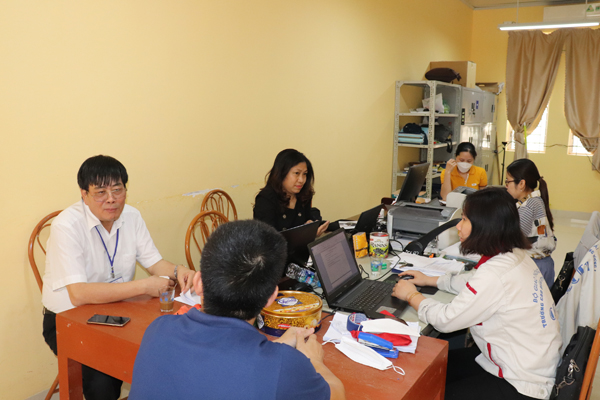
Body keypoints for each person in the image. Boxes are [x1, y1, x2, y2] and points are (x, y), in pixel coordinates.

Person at [129, 219, 346, 400]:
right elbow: (337, 394)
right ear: (271, 297)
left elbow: (220, 365)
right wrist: (314, 361)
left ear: (199, 283)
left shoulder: (159, 329)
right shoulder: (283, 367)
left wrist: (276, 347)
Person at [42, 155, 196, 400]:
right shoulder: (66, 225)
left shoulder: (131, 216)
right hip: (68, 318)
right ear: (84, 194)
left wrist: (180, 271)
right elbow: (78, 294)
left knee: (164, 347)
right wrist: (143, 286)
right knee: (103, 379)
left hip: (119, 310)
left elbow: (154, 263)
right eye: (100, 192)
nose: (111, 199)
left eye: (117, 190)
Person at [392, 188, 561, 400]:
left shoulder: (495, 273)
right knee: (431, 367)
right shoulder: (514, 254)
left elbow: (446, 320)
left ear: (484, 226)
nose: (458, 226)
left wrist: (412, 296)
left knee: (430, 388)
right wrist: (430, 280)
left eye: (464, 219)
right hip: (525, 361)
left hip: (521, 383)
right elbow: (475, 281)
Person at [506, 158, 556, 288]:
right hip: (542, 264)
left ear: (521, 184)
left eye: (507, 182)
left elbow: (515, 237)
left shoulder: (529, 205)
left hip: (535, 266)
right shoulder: (535, 200)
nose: (506, 186)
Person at [254, 148, 329, 235]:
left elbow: (308, 218)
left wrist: (311, 225)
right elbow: (267, 239)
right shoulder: (265, 199)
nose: (301, 180)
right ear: (282, 173)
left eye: (304, 174)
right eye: (297, 173)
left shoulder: (303, 194)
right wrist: (305, 236)